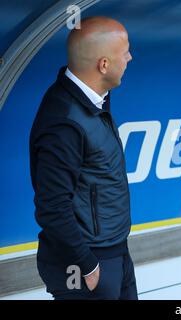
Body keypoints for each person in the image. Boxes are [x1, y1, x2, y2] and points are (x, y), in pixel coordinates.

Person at [29, 16, 136, 300]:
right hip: (85, 263)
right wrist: (88, 266)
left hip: (114, 253)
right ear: (103, 65)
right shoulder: (64, 121)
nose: (129, 57)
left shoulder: (91, 98)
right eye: (124, 51)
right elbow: (51, 206)